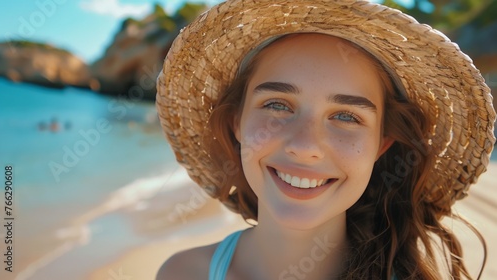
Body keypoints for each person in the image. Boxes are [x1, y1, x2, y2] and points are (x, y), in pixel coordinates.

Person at [155, 0, 496, 279]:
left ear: (381, 144)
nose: (305, 146)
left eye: (346, 116)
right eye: (277, 105)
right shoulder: (181, 273)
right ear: (236, 123)